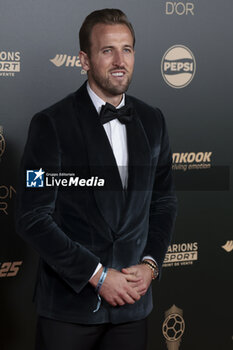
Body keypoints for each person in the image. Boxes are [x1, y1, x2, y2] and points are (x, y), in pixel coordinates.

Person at [15, 8, 177, 350]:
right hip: (69, 313)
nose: (120, 60)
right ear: (84, 60)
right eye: (107, 50)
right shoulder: (51, 125)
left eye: (127, 49)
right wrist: (99, 275)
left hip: (132, 310)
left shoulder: (153, 121)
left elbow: (163, 201)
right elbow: (31, 217)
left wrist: (150, 265)